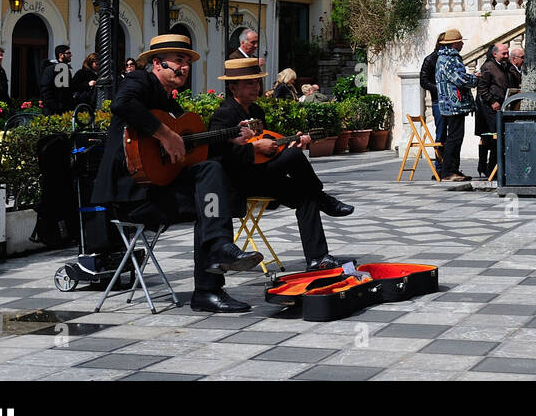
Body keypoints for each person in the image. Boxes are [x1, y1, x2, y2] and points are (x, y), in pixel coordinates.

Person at [92, 33, 263, 314]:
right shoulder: (140, 80)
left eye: (187, 62)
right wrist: (164, 134)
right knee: (210, 198)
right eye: (178, 61)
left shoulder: (170, 105)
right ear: (157, 63)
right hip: (132, 194)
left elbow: (190, 147)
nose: (185, 67)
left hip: (157, 189)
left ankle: (215, 263)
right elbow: (121, 104)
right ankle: (210, 283)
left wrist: (231, 138)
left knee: (212, 179)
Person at [207, 57, 353, 272]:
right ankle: (325, 199)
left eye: (257, 82)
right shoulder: (223, 115)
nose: (256, 87)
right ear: (232, 87)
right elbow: (217, 156)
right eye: (249, 83)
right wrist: (253, 150)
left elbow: (266, 143)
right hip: (239, 181)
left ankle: (317, 258)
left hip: (263, 175)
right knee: (293, 157)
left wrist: (288, 142)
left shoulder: (257, 111)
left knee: (306, 195)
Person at [434, 28, 477, 181]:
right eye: (460, 42)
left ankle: (453, 170)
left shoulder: (442, 58)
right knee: (455, 138)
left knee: (454, 137)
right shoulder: (451, 59)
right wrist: (474, 78)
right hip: (454, 104)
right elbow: (459, 79)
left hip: (448, 104)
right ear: (454, 44)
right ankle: (448, 172)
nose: (461, 45)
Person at [475, 42, 512, 178]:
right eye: (504, 53)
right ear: (494, 54)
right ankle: (490, 168)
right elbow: (482, 88)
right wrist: (492, 101)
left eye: (507, 53)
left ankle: (492, 168)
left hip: (501, 106)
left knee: (495, 137)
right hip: (488, 109)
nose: (506, 56)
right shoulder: (488, 67)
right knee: (493, 137)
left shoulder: (505, 66)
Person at [419, 33, 448, 147]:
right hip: (438, 101)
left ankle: (447, 163)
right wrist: (440, 89)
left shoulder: (451, 58)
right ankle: (440, 164)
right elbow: (424, 81)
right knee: (440, 135)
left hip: (451, 101)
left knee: (453, 135)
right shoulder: (431, 59)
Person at [39, 45, 75, 114]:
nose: (71, 55)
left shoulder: (64, 69)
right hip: (53, 111)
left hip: (63, 109)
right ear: (61, 55)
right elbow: (46, 89)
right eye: (68, 53)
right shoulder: (51, 69)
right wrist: (57, 106)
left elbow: (66, 90)